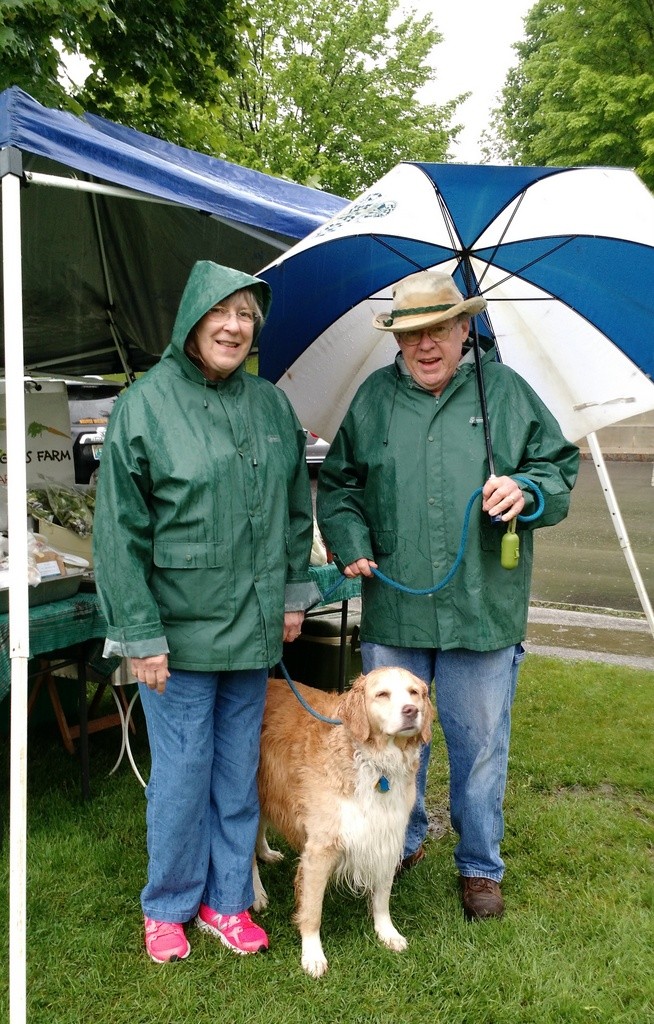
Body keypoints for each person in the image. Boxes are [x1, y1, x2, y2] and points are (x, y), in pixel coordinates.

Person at [317, 270, 579, 920]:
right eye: (411, 333)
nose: (426, 344)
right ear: (398, 340)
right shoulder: (373, 399)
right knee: (387, 744)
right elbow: (340, 483)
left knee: (479, 744)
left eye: (439, 328)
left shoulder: (505, 393)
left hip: (482, 609)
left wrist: (527, 489)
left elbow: (558, 468)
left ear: (465, 327)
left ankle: (480, 866)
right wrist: (348, 535)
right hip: (396, 606)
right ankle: (400, 843)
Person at [93, 260, 318, 962]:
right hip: (177, 638)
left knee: (235, 775)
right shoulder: (145, 404)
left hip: (251, 631)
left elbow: (291, 508)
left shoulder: (269, 404)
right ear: (192, 321)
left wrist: (289, 596)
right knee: (183, 778)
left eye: (247, 315)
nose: (234, 326)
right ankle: (167, 905)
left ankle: (226, 902)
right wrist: (139, 634)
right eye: (221, 313)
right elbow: (118, 531)